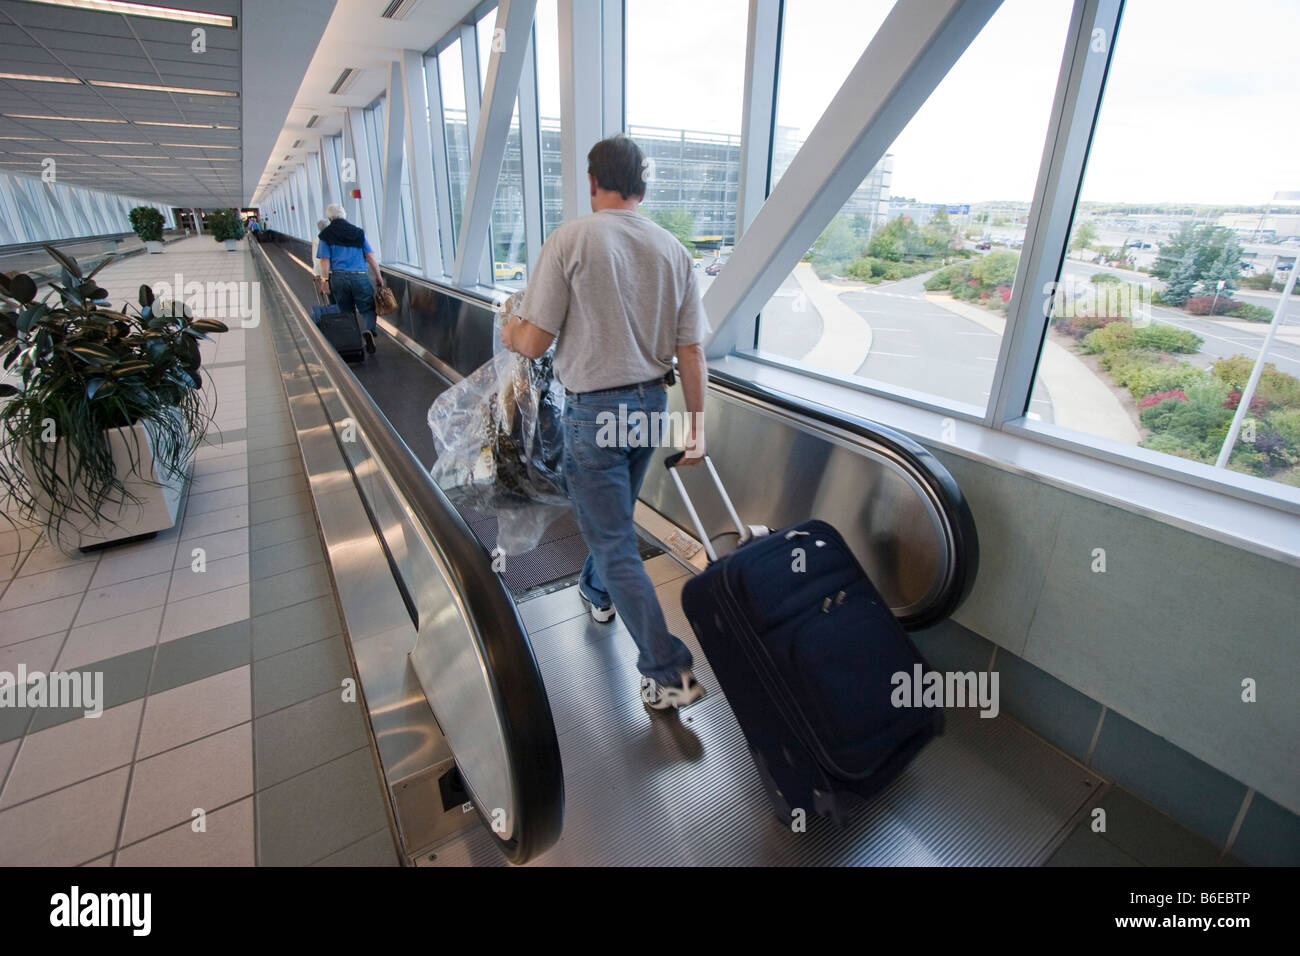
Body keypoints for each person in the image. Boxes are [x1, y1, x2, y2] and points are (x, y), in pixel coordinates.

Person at [501, 135, 710, 712]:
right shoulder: (673, 249)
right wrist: (697, 429)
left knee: (612, 537)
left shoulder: (571, 239)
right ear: (640, 185)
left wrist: (508, 329)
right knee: (614, 524)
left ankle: (668, 671)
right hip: (649, 406)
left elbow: (536, 339)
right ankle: (597, 590)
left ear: (595, 182)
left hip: (594, 412)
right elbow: (691, 352)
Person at [316, 203, 385, 353]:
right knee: (368, 308)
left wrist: (324, 281)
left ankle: (353, 342)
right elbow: (370, 256)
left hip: (338, 278)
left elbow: (325, 261)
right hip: (359, 276)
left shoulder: (325, 235)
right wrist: (378, 276)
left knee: (346, 312)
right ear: (344, 215)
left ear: (330, 217)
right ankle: (369, 331)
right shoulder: (358, 233)